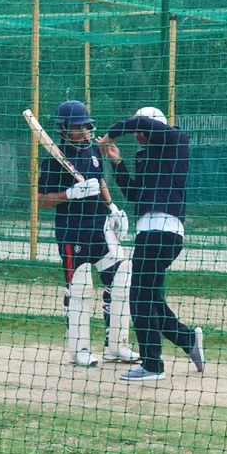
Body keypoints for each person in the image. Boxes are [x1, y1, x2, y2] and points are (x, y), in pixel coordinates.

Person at [97, 106, 205, 381]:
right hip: (150, 233)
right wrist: (117, 162)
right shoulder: (147, 157)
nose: (138, 136)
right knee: (151, 298)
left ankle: (153, 365)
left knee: (139, 297)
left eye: (141, 132)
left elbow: (140, 122)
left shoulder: (175, 141)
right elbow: (135, 194)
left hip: (163, 231)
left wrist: (110, 134)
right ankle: (187, 339)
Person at [38, 100, 139, 367]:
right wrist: (69, 195)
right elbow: (40, 199)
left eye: (86, 126)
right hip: (73, 233)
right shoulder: (53, 159)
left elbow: (99, 180)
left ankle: (117, 346)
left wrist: (112, 207)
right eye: (77, 128)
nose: (84, 132)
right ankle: (80, 349)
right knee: (80, 286)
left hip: (100, 228)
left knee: (121, 277)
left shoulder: (94, 150)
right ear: (63, 129)